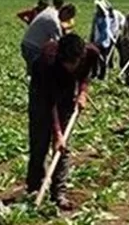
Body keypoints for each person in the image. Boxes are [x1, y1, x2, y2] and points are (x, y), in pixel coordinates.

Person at [26, 33, 100, 210]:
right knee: (40, 143)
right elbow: (49, 102)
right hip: (42, 96)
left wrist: (82, 92)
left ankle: (59, 193)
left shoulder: (91, 54)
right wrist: (57, 133)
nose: (71, 66)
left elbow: (85, 75)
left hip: (67, 94)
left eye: (74, 62)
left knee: (63, 148)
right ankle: (34, 189)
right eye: (67, 63)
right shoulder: (45, 63)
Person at [21, 2, 77, 74]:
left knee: (33, 71)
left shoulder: (50, 11)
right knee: (38, 73)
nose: (65, 21)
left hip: (27, 44)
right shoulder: (54, 21)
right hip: (33, 48)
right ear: (66, 12)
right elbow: (59, 42)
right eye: (67, 18)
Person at [89, 0, 125, 80]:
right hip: (100, 40)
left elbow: (106, 30)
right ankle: (96, 73)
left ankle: (104, 74)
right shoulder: (97, 16)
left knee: (106, 57)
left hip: (109, 38)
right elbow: (94, 29)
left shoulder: (114, 14)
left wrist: (121, 25)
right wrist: (93, 39)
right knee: (97, 58)